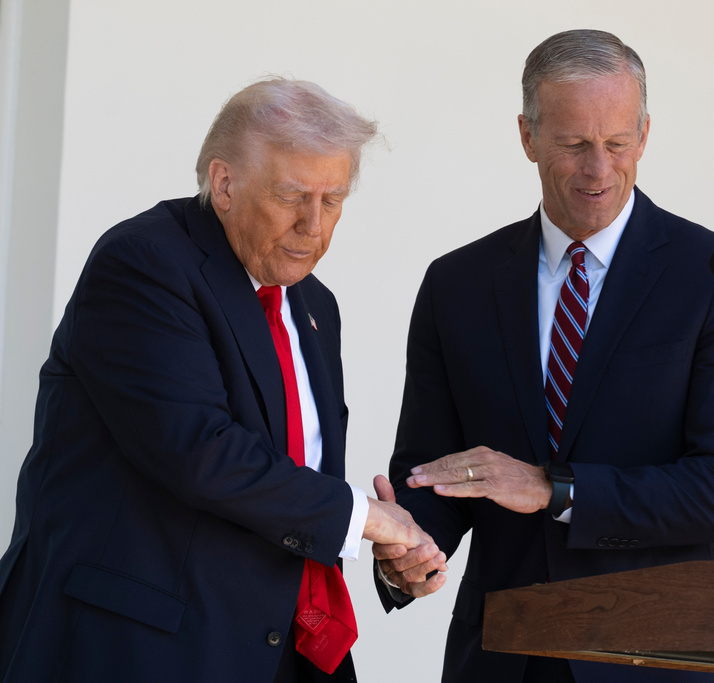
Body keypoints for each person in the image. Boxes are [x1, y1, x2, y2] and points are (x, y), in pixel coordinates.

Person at [0, 77, 441, 683]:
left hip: (281, 649)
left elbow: (294, 484)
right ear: (225, 183)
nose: (313, 225)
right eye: (292, 196)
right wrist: (361, 517)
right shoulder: (143, 263)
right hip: (140, 649)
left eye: (333, 200)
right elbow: (200, 450)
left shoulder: (315, 304)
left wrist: (389, 553)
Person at [373, 29, 714, 683]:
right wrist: (408, 548)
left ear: (644, 136)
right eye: (573, 145)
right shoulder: (458, 285)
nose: (599, 169)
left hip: (663, 661)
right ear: (528, 137)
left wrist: (553, 488)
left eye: (617, 143)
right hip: (503, 657)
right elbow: (438, 471)